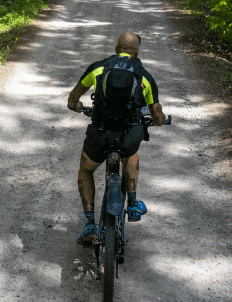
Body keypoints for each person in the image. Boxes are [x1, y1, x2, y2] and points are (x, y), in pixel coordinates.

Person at [66, 31, 167, 245]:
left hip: (100, 134)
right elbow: (156, 112)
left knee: (86, 170)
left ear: (115, 49)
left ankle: (90, 224)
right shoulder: (144, 77)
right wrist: (159, 120)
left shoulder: (98, 68)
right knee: (132, 152)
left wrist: (75, 106)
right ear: (137, 52)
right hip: (128, 135)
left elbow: (73, 97)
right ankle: (133, 203)